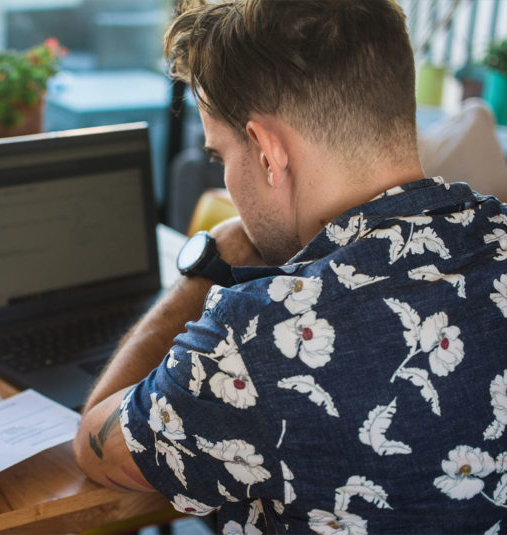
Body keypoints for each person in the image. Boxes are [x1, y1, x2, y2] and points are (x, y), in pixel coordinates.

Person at [72, 0, 507, 532]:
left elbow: (95, 445)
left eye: (220, 155)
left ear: (267, 152)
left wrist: (209, 268)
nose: (226, 178)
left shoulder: (264, 334)